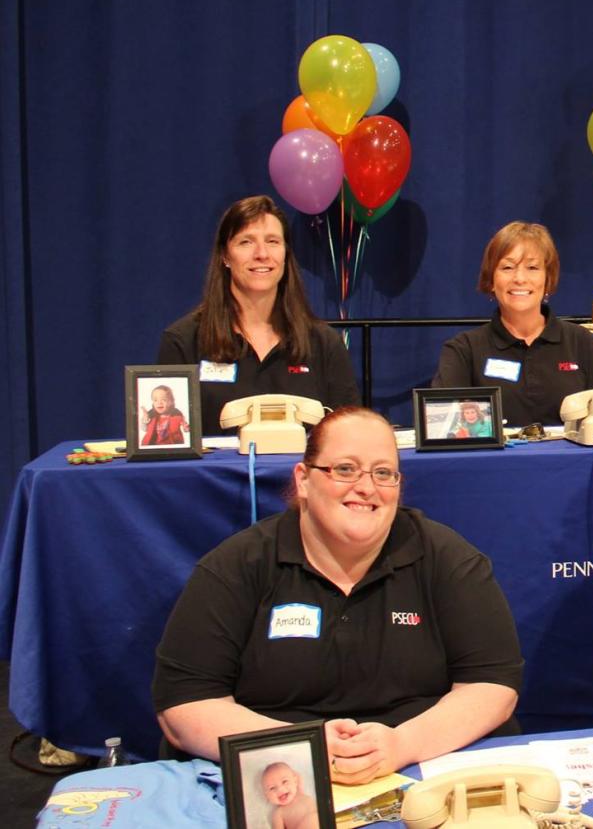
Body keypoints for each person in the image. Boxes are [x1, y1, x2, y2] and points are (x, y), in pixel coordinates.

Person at [152, 408, 524, 784]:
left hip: (420, 763)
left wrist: (401, 745)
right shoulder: (236, 566)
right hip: (277, 773)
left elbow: (491, 685)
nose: (366, 488)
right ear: (303, 480)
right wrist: (296, 747)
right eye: (345, 469)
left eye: (383, 473)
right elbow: (185, 705)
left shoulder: (448, 558)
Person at [158, 196, 360, 435]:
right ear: (225, 256)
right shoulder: (183, 341)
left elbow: (350, 439)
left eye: (273, 241)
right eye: (246, 242)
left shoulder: (324, 343)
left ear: (285, 254)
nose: (262, 254)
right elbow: (168, 445)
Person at [433, 221, 593, 427]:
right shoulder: (463, 350)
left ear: (548, 278)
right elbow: (445, 428)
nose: (519, 278)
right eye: (507, 267)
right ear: (491, 280)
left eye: (532, 268)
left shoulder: (581, 341)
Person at [261, 761, 317, 829]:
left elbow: (297, 775)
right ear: (266, 796)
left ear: (295, 781)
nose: (280, 789)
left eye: (284, 781)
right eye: (272, 788)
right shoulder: (278, 813)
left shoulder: (299, 791)